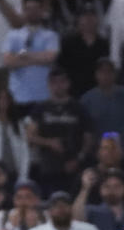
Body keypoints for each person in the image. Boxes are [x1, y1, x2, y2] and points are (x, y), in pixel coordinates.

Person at [25, 68, 94, 196]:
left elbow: (88, 138)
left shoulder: (78, 108)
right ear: (49, 85)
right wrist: (49, 142)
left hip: (74, 165)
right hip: (48, 167)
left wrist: (79, 159)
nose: (58, 86)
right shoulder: (40, 108)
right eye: (54, 82)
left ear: (68, 83)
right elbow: (30, 136)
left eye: (62, 82)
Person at [1, 0, 60, 108]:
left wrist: (23, 55)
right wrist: (39, 58)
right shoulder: (12, 35)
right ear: (23, 11)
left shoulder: (51, 36)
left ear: (42, 11)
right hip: (18, 95)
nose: (32, 12)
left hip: (43, 95)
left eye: (36, 8)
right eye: (28, 9)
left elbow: (50, 58)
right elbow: (8, 61)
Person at [80, 58, 124, 158]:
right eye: (102, 72)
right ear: (96, 75)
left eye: (109, 72)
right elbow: (84, 131)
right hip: (97, 156)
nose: (105, 76)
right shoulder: (87, 100)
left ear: (115, 74)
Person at [57, 2, 110, 97]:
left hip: (99, 94)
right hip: (74, 94)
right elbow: (61, 69)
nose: (88, 19)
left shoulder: (105, 44)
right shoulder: (68, 43)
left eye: (92, 15)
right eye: (85, 16)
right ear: (78, 20)